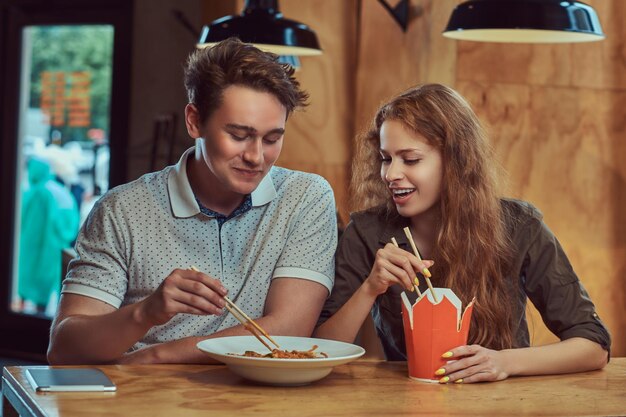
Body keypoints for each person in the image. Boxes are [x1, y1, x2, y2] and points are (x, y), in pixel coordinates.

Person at [47, 38, 337, 365]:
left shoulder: (305, 197)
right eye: (239, 135)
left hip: (256, 400)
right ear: (194, 121)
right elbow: (64, 348)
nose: (256, 156)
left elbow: (287, 331)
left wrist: (157, 356)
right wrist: (145, 313)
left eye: (272, 139)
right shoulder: (122, 210)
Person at [314, 84, 610, 383]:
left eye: (411, 159)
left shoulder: (521, 226)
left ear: (456, 161)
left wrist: (504, 362)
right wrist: (370, 288)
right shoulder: (367, 231)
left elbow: (593, 345)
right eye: (386, 158)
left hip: (503, 402)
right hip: (408, 403)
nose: (391, 174)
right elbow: (321, 350)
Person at [17, 157, 79, 314]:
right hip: (53, 246)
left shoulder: (36, 192)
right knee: (45, 286)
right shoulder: (59, 191)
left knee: (29, 281)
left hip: (33, 246)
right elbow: (70, 221)